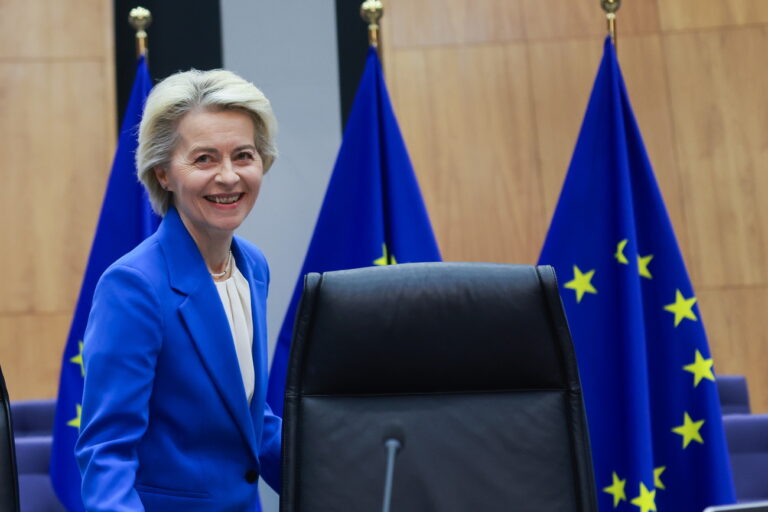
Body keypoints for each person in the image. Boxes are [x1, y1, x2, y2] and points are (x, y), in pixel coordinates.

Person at [75, 69, 282, 511]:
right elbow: (106, 452)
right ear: (163, 174)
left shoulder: (254, 267)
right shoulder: (133, 286)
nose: (228, 177)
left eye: (243, 155)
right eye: (204, 158)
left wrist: (356, 478)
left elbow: (249, 419)